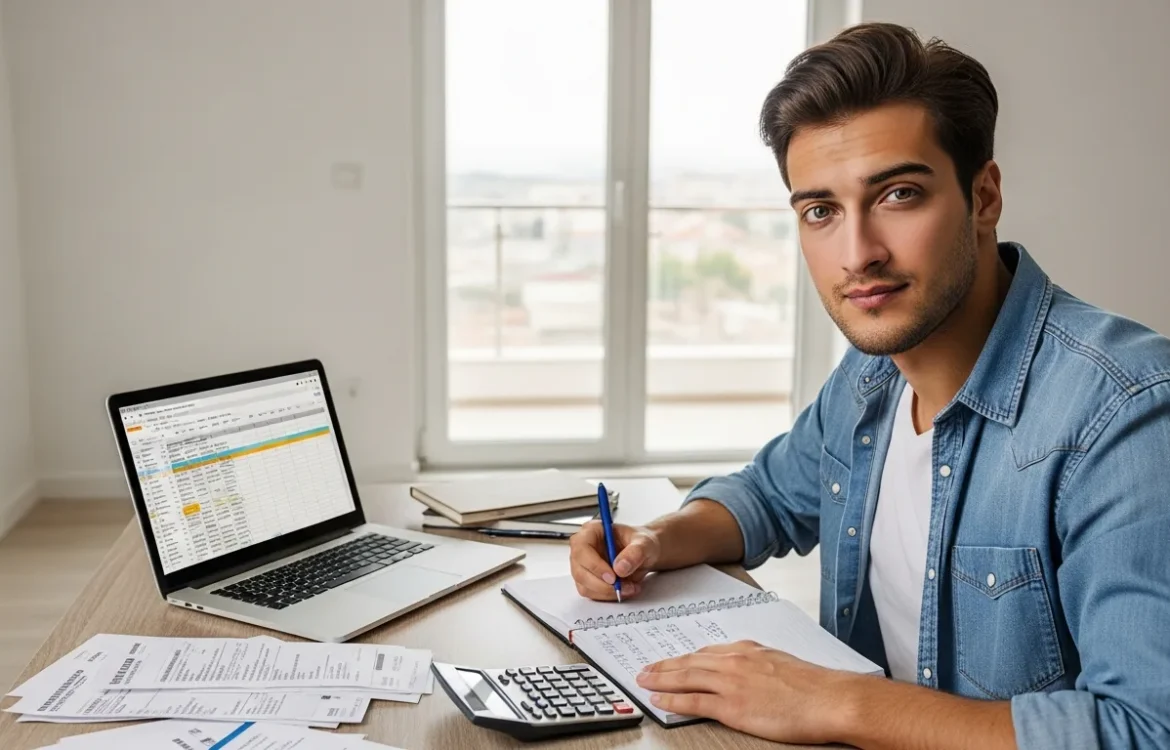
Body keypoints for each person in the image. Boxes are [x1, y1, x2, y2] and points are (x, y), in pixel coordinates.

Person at [569, 21, 1170, 750]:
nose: (857, 255)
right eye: (820, 211)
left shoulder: (1126, 412)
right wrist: (654, 542)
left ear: (983, 197)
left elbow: (1145, 730)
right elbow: (766, 496)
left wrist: (842, 703)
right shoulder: (873, 375)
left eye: (899, 195)